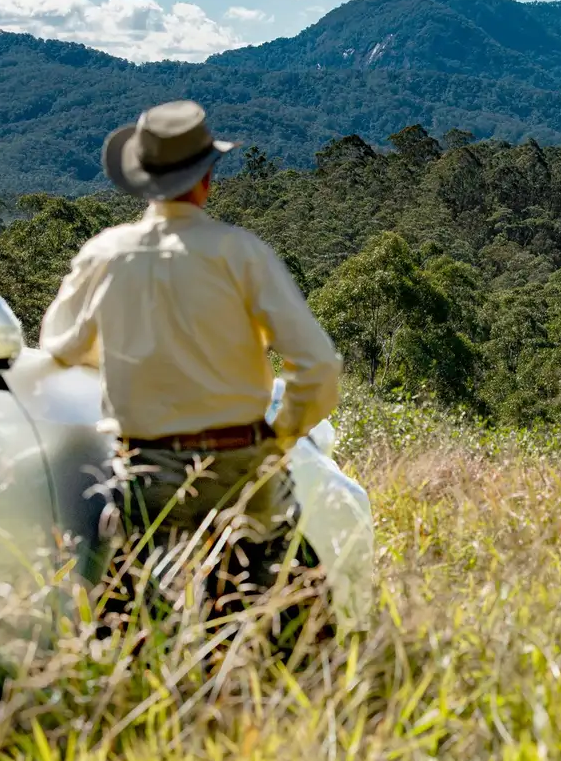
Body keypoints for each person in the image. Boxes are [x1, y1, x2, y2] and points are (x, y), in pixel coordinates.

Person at [38, 100, 343, 632]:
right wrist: (280, 436)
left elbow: (59, 345)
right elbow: (317, 367)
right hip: (240, 459)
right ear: (206, 178)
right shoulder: (240, 254)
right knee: (280, 617)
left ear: (143, 182)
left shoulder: (105, 255)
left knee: (137, 622)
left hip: (146, 467)